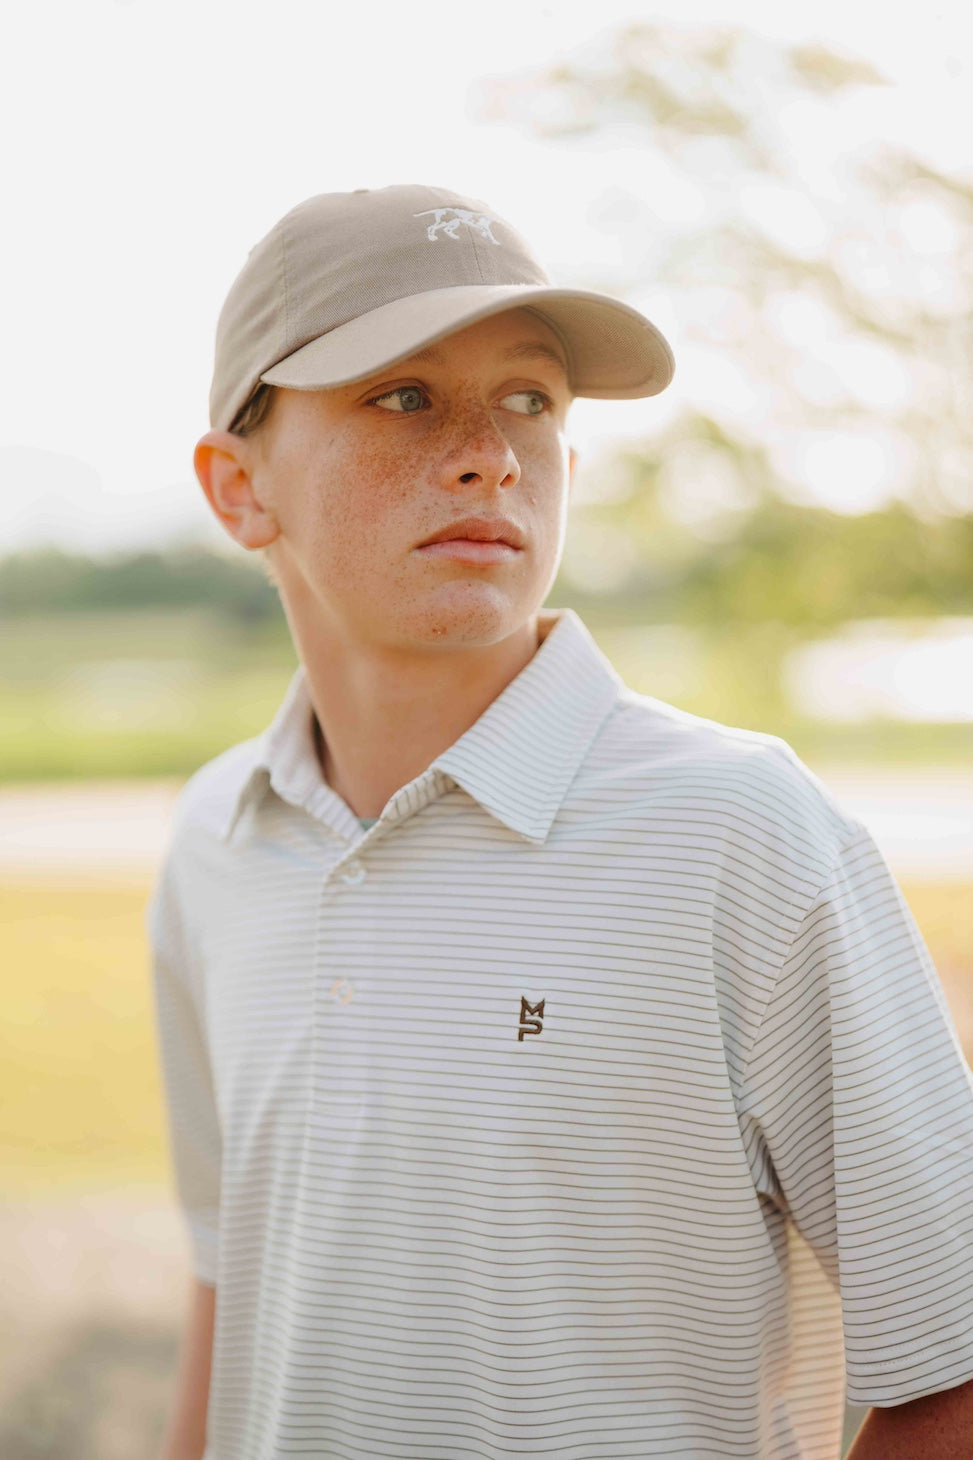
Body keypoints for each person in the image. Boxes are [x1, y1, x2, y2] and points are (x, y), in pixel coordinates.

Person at [147, 184, 973, 1460]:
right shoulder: (216, 839)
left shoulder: (739, 830)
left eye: (530, 399)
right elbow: (231, 1277)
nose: (489, 452)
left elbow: (953, 1371)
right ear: (239, 488)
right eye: (403, 395)